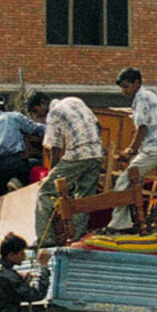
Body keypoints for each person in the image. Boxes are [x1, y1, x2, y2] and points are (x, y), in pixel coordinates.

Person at [29, 91, 105, 244]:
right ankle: (76, 237)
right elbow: (98, 125)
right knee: (83, 197)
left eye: (36, 111)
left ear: (43, 103)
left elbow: (55, 147)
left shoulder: (53, 113)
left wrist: (52, 173)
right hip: (97, 154)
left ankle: (46, 239)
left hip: (78, 155)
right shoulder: (75, 100)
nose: (38, 116)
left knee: (45, 191)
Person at [107, 67, 157, 231]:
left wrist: (130, 150)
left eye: (126, 86)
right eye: (122, 87)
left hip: (156, 147)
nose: (124, 91)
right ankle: (131, 223)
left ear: (136, 83)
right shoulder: (147, 95)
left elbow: (142, 127)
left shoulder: (141, 98)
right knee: (135, 183)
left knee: (123, 181)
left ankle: (118, 226)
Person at [0, 94, 43, 256]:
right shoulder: (13, 117)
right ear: (4, 107)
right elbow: (36, 130)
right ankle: (17, 180)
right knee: (35, 164)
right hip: (14, 163)